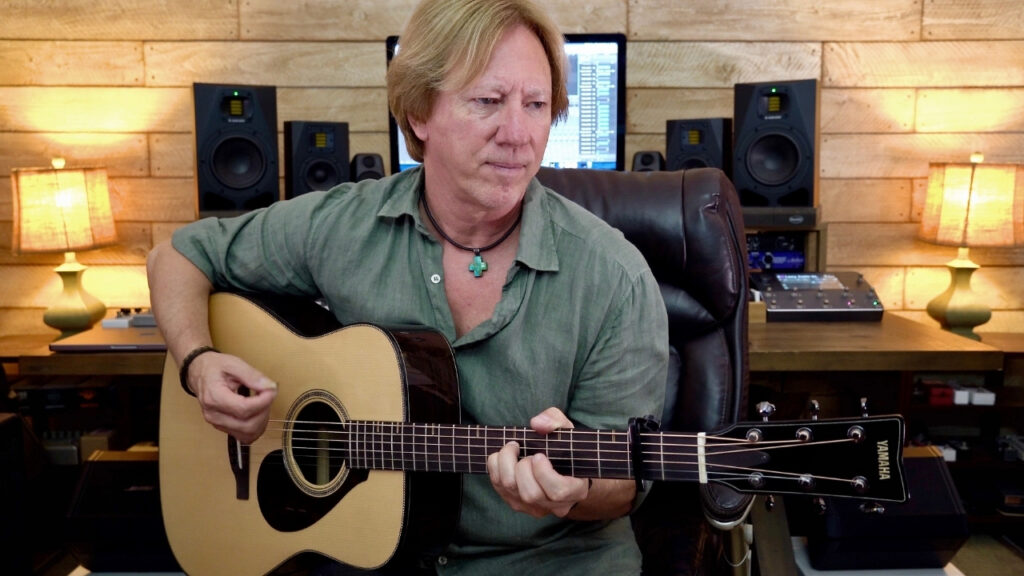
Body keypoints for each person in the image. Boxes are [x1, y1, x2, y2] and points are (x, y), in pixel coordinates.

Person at [146, 0, 668, 573]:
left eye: (537, 105)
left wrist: (576, 489)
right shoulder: (340, 225)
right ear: (420, 113)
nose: (518, 134)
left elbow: (622, 483)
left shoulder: (616, 275)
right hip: (373, 558)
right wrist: (198, 363)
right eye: (488, 101)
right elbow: (178, 255)